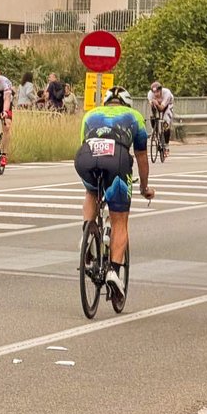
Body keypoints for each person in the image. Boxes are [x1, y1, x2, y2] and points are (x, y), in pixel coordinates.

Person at [74, 86, 154, 302]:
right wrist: (144, 187)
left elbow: (84, 142)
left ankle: (87, 235)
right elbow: (141, 157)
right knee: (120, 222)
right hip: (116, 159)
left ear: (107, 102)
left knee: (92, 191)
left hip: (85, 157)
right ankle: (113, 272)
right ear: (126, 104)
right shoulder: (135, 116)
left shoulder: (91, 114)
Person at [147, 81, 175, 159]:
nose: (156, 94)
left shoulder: (167, 93)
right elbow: (153, 107)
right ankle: (154, 131)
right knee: (152, 116)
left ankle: (166, 145)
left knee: (165, 123)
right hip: (157, 105)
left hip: (167, 105)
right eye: (154, 92)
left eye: (158, 92)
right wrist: (154, 116)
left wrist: (156, 103)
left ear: (161, 90)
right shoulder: (150, 94)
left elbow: (162, 108)